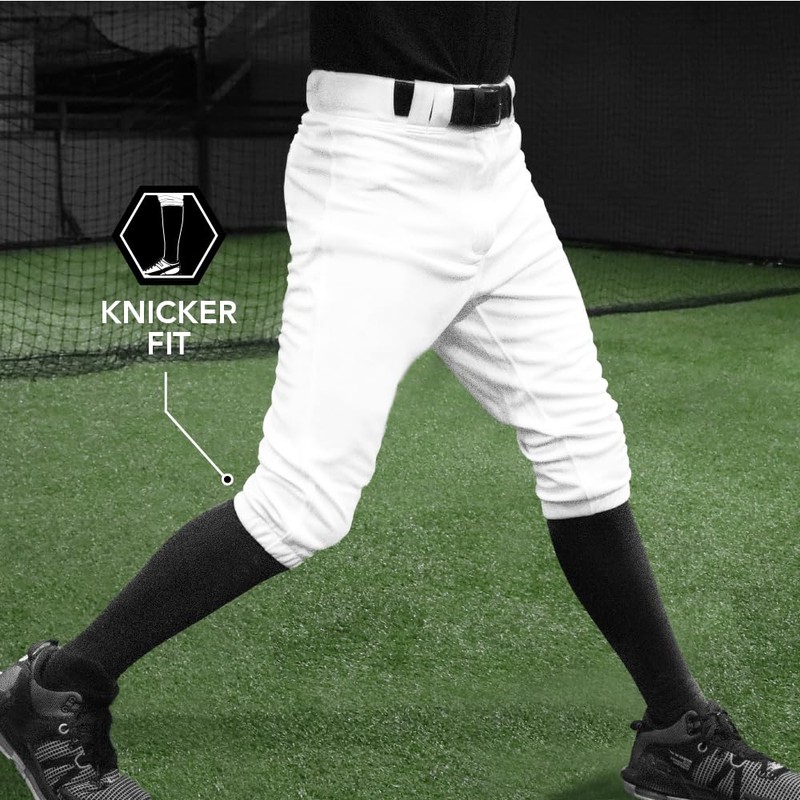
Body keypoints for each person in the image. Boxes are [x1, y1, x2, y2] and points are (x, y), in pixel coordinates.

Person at [1, 4, 796, 800]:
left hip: (497, 164)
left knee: (585, 451)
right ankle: (54, 692)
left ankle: (676, 735)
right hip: (376, 169)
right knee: (303, 503)